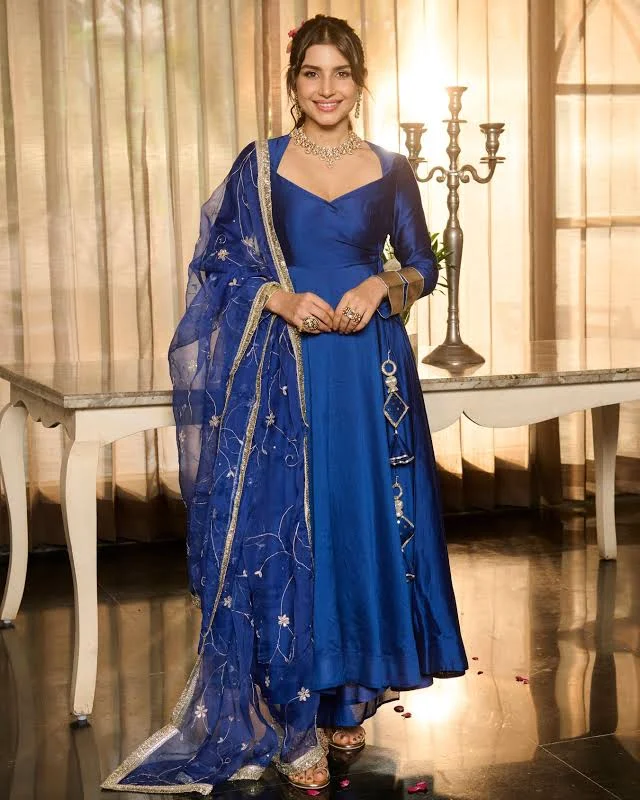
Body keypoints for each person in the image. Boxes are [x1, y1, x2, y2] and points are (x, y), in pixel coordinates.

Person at [102, 14, 467, 795]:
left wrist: (382, 286)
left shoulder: (391, 168)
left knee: (359, 523)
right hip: (286, 371)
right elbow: (219, 261)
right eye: (312, 73)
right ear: (292, 81)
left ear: (359, 82)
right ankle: (292, 719)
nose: (326, 88)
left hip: (369, 374)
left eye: (341, 73)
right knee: (293, 524)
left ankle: (348, 697)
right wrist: (280, 298)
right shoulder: (261, 166)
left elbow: (422, 265)